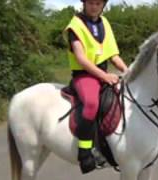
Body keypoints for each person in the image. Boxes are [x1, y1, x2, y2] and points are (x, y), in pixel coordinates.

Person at [63, 0, 128, 174]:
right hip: (84, 76)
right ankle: (85, 153)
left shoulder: (104, 23)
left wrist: (128, 71)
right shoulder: (74, 26)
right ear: (84, 3)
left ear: (103, 5)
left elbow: (113, 55)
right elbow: (82, 59)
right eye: (91, 2)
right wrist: (105, 76)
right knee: (91, 103)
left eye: (98, 3)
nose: (94, 6)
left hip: (102, 75)